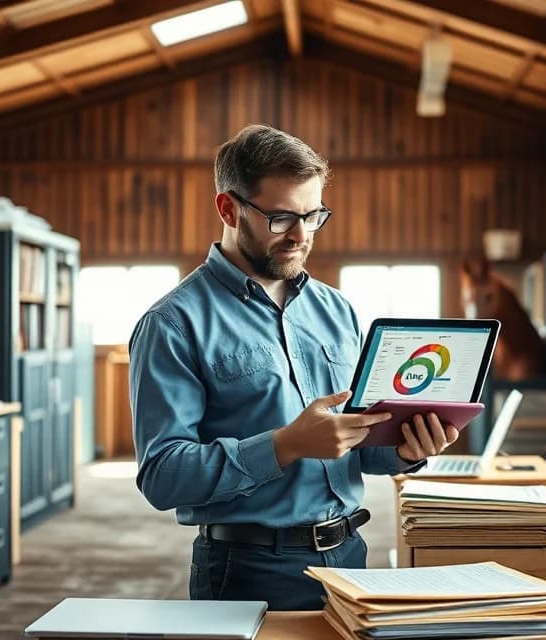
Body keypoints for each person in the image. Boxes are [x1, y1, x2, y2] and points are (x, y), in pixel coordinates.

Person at [128, 124, 459, 611]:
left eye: (313, 216)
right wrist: (286, 445)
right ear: (228, 209)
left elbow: (359, 449)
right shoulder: (172, 323)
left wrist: (407, 450)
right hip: (249, 571)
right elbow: (162, 476)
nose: (301, 236)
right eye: (281, 218)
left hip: (351, 557)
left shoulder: (337, 310)